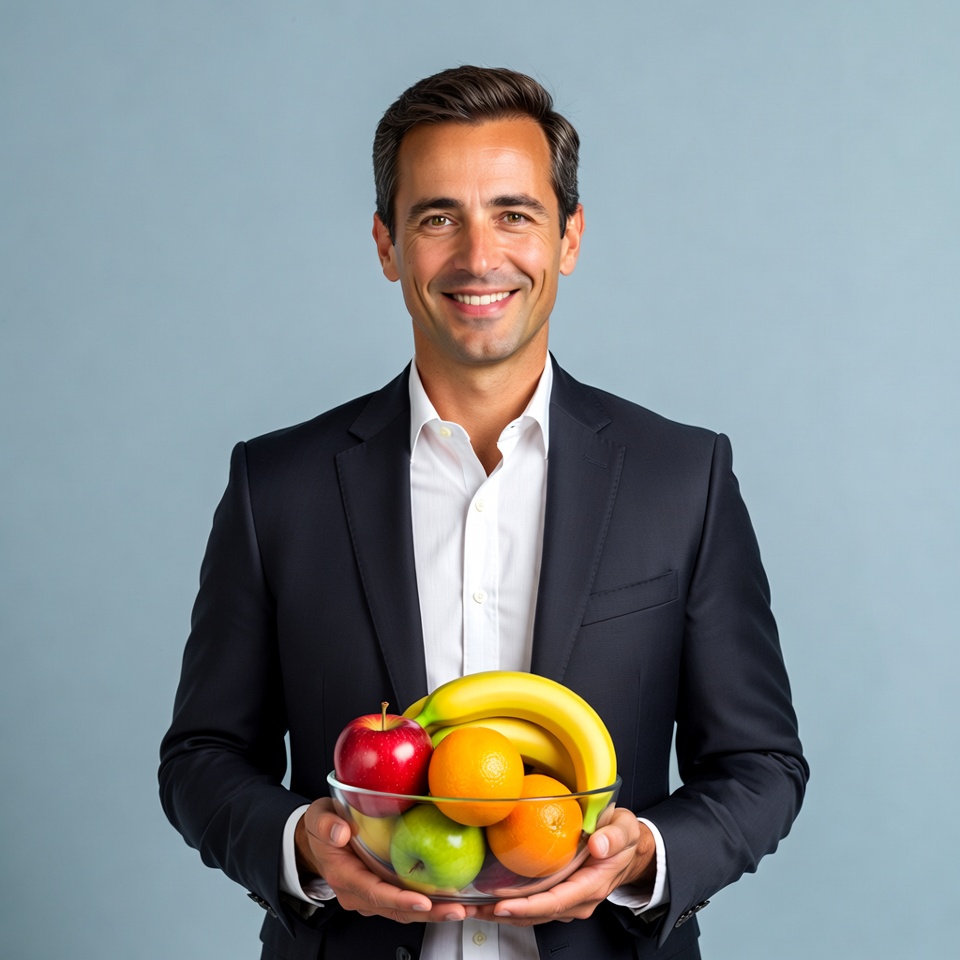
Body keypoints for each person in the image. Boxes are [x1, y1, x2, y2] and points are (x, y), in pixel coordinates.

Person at [159, 65, 807, 960]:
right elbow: (201, 756)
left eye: (514, 213)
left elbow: (761, 766)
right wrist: (300, 847)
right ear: (386, 245)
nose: (478, 256)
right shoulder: (279, 486)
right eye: (437, 218)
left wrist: (643, 857)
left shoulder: (681, 477)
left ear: (569, 236)